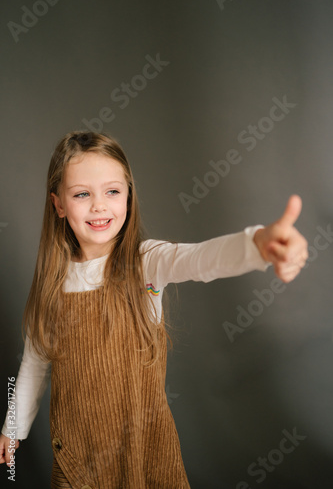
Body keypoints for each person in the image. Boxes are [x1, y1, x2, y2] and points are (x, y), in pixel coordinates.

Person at [0, 131, 308, 488]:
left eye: (112, 192)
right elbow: (35, 364)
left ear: (128, 196)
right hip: (77, 461)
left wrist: (258, 244)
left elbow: (201, 259)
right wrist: (13, 427)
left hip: (145, 455)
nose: (99, 206)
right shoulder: (52, 285)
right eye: (82, 194)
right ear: (58, 204)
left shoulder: (146, 263)